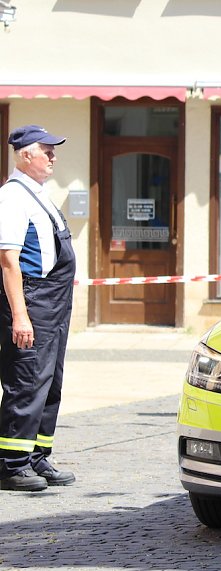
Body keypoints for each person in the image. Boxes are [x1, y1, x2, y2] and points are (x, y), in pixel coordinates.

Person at [0, 125, 77, 491]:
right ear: (25, 155)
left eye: (53, 150)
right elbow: (8, 261)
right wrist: (20, 315)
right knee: (26, 383)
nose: (53, 157)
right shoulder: (13, 197)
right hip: (33, 302)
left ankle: (36, 457)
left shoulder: (39, 194)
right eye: (47, 150)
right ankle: (11, 464)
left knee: (50, 384)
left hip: (54, 305)